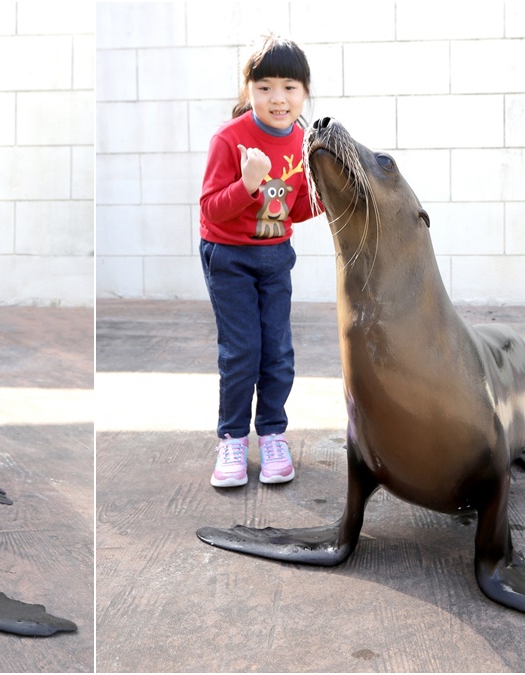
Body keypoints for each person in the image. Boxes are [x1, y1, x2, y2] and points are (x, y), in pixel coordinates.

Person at [198, 35, 318, 488]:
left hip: (274, 257)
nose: (278, 98)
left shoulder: (304, 142)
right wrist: (248, 182)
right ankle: (231, 438)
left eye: (289, 86)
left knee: (278, 351)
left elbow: (295, 208)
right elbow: (211, 209)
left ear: (304, 92)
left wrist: (328, 196)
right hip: (228, 255)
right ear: (248, 89)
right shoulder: (229, 139)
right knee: (242, 350)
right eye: (264, 87)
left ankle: (272, 434)